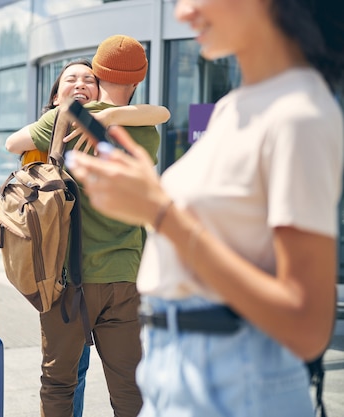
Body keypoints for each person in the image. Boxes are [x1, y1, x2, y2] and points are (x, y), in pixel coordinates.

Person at [65, 1, 344, 416]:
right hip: (180, 368)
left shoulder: (298, 114)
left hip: (230, 379)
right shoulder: (239, 106)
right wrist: (147, 199)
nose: (183, 12)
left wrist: (159, 212)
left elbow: (307, 326)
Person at [0, 35, 165, 416]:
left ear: (97, 74)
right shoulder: (147, 130)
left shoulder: (62, 118)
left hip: (67, 282)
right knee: (130, 387)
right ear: (138, 80)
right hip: (125, 276)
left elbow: (14, 145)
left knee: (59, 384)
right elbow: (159, 113)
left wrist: (59, 113)